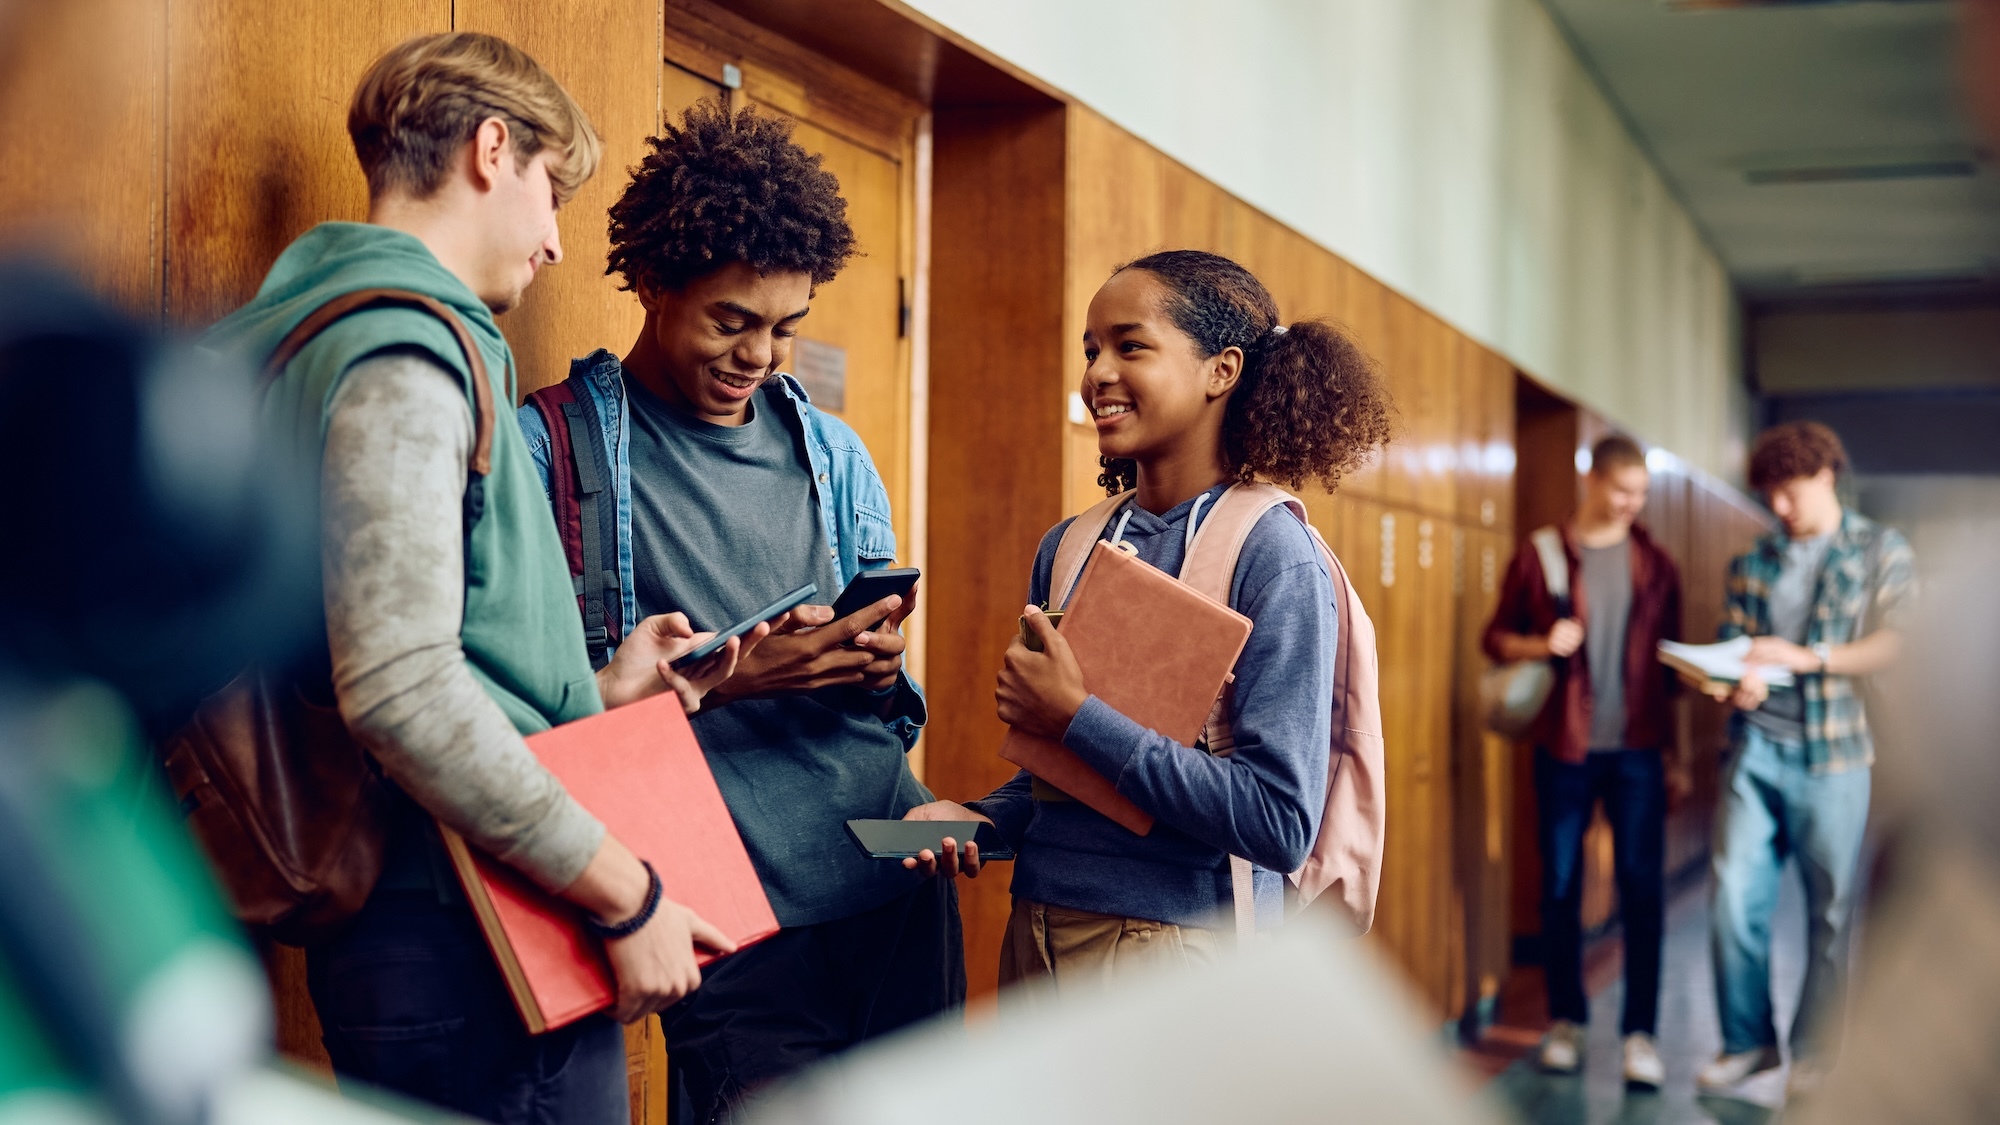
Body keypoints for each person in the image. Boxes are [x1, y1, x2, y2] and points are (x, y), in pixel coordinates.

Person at [203, 35, 765, 1125]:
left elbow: (373, 641)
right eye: (551, 193)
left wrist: (595, 690)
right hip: (476, 928)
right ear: (490, 148)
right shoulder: (403, 350)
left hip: (434, 914)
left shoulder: (292, 336)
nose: (556, 241)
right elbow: (400, 688)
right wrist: (624, 888)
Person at [517, 100, 960, 1122]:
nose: (758, 355)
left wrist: (870, 663)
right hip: (727, 923)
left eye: (783, 329)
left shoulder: (835, 455)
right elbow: (536, 722)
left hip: (892, 879)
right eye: (731, 320)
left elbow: (886, 702)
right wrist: (733, 683)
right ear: (654, 280)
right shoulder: (553, 455)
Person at [904, 249, 1392, 989]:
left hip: (1180, 954)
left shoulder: (1274, 556)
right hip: (1038, 923)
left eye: (1131, 346)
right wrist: (973, 820)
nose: (1098, 371)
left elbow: (1279, 821)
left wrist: (1076, 715)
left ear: (1220, 371)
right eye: (1092, 349)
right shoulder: (1070, 545)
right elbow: (1069, 788)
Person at [1697, 422, 1913, 1099]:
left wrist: (1809, 657)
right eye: (1770, 497)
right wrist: (1733, 675)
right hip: (1756, 747)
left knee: (1831, 912)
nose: (1779, 509)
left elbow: (1897, 642)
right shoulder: (1753, 561)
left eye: (1788, 493)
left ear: (1824, 475)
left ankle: (1817, 1054)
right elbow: (1734, 641)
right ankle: (1747, 1046)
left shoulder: (1880, 549)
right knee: (1734, 901)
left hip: (1837, 754)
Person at [1481, 435, 1686, 1088]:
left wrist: (1675, 754)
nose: (1632, 503)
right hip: (1564, 748)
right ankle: (1566, 1021)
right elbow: (1494, 637)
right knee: (1561, 889)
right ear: (1591, 479)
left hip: (1639, 751)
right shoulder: (1544, 554)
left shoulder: (1656, 562)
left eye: (1641, 494)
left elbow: (1669, 671)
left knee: (1641, 889)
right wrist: (1541, 641)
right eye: (1623, 490)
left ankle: (1640, 1035)